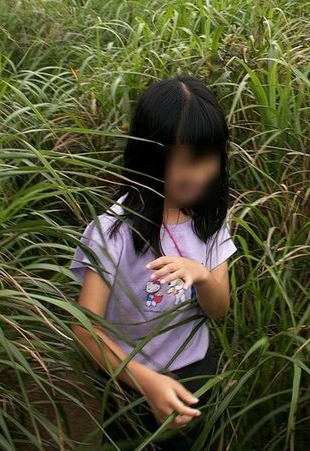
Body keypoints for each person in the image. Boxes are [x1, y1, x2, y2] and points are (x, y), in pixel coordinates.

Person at [69, 73, 237, 450]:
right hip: (127, 379)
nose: (199, 173)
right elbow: (85, 329)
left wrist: (202, 276)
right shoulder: (113, 231)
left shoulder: (210, 220)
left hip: (194, 367)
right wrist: (146, 382)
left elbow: (218, 309)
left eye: (208, 159)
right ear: (151, 157)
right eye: (186, 162)